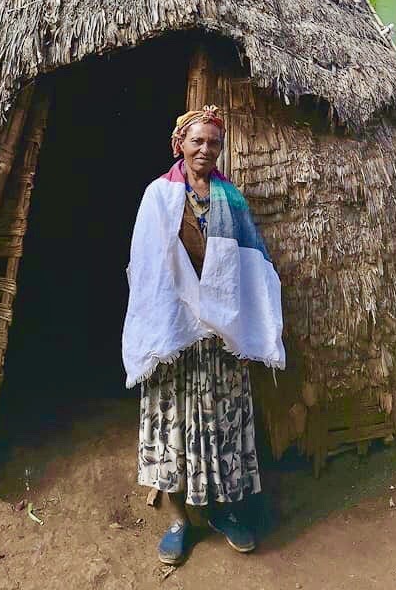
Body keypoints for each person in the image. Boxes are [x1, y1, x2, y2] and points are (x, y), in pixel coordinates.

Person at [122, 105, 285, 566]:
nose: (206, 149)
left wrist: (242, 319)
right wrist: (171, 314)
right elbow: (148, 263)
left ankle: (225, 513)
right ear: (180, 145)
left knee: (223, 419)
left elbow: (252, 264)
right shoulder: (157, 196)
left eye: (214, 142)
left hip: (220, 336)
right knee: (172, 421)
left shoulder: (232, 201)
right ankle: (178, 519)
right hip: (173, 333)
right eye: (197, 140)